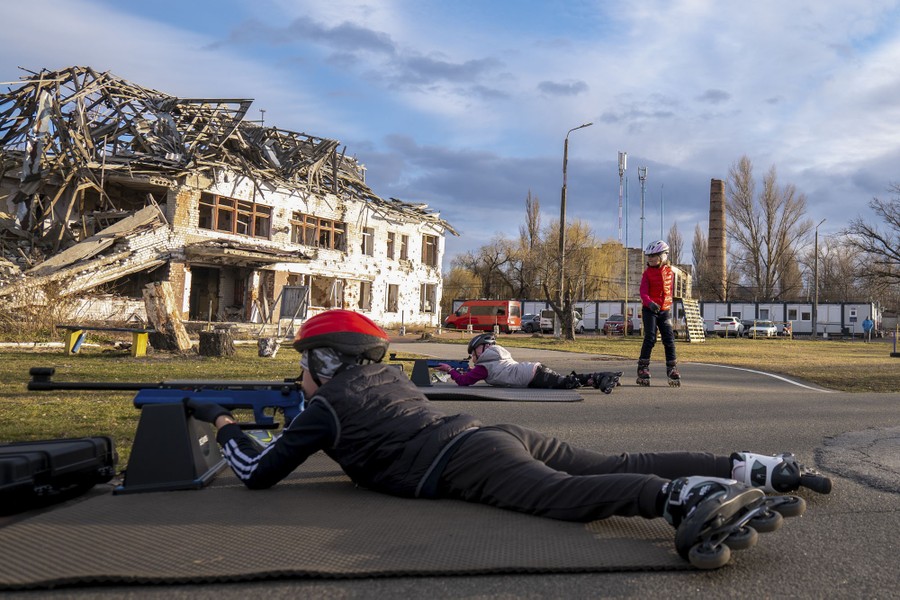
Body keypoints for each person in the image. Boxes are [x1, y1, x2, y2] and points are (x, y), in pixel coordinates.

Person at [184, 309, 830, 565]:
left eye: (303, 364)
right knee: (613, 459)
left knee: (556, 497)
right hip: (491, 431)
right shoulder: (385, 385)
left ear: (322, 362)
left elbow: (257, 471)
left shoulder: (323, 412)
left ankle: (681, 499)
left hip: (464, 459)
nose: (299, 375)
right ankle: (753, 467)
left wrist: (221, 421)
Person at [434, 333, 622, 394]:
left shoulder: (485, 366)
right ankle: (602, 380)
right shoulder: (496, 358)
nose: (473, 357)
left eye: (474, 352)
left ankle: (602, 376)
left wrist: (450, 370)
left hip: (532, 375)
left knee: (566, 384)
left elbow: (464, 382)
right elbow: (470, 375)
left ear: (482, 349)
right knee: (564, 383)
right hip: (532, 371)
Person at [637, 240, 679, 387]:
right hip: (650, 310)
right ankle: (643, 368)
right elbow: (643, 292)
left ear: (663, 256)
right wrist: (650, 303)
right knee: (650, 337)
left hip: (664, 310)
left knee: (669, 338)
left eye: (653, 256)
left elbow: (669, 291)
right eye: (649, 256)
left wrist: (667, 305)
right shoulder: (647, 274)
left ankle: (672, 368)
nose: (650, 259)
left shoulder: (670, 272)